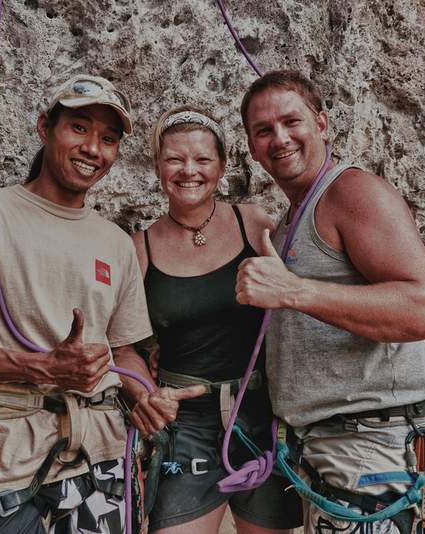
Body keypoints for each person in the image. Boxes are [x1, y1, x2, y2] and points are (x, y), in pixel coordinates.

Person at [0, 74, 202, 534]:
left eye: (108, 139)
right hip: (7, 452)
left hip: (100, 452)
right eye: (79, 128)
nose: (93, 148)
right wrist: (39, 367)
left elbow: (121, 350)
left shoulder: (115, 242)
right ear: (46, 127)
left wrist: (147, 396)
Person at [235, 70, 425, 534]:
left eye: (292, 122)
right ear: (251, 147)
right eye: (264, 130)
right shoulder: (293, 218)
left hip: (372, 443)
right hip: (329, 444)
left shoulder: (352, 192)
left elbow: (424, 311)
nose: (280, 138)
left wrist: (293, 290)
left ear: (323, 125)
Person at [117, 106, 303, 534]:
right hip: (187, 423)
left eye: (202, 159)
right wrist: (144, 392)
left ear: (221, 165)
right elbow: (122, 347)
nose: (189, 171)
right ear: (158, 167)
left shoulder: (253, 223)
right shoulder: (138, 249)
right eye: (175, 159)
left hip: (260, 412)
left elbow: (299, 295)